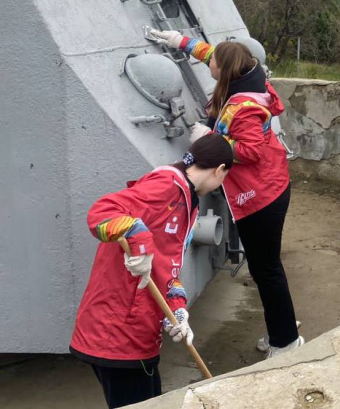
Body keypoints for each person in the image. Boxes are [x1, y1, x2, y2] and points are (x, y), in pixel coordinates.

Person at [147, 29, 303, 358]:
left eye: (212, 63)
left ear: (225, 70)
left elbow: (251, 150)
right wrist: (179, 41)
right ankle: (283, 329)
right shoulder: (247, 73)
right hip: (269, 185)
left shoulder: (244, 105)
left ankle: (286, 341)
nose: (209, 65)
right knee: (267, 268)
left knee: (267, 268)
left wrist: (210, 138)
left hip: (261, 196)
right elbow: (212, 53)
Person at [70, 134, 233, 409]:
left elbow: (168, 265)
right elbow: (101, 212)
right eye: (225, 177)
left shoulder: (187, 200)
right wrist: (140, 240)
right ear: (219, 171)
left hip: (139, 332)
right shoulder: (167, 187)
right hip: (118, 333)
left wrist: (178, 310)